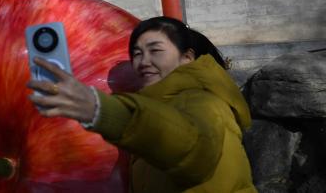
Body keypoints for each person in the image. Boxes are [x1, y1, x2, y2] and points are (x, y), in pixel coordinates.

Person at [27, 16, 256, 192]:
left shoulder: (203, 101)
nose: (144, 61)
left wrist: (101, 110)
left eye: (155, 50)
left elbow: (193, 150)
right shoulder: (164, 104)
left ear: (187, 57)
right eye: (137, 53)